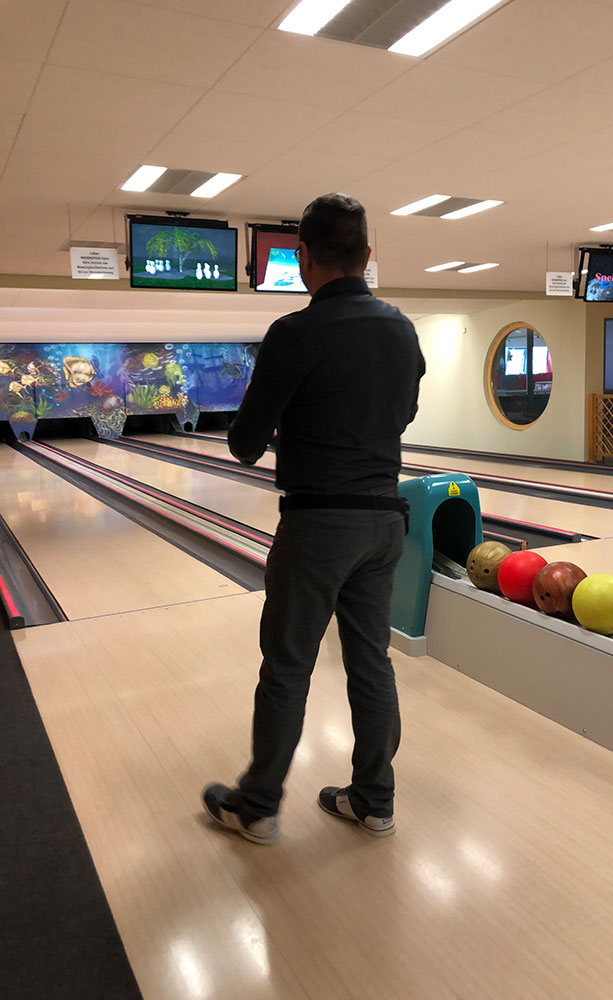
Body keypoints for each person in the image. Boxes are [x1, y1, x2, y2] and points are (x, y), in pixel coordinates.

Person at [202, 193, 425, 844]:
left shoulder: (294, 333)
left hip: (318, 523)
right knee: (372, 663)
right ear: (368, 254)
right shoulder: (402, 330)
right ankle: (375, 801)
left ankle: (257, 806)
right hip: (385, 520)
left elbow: (245, 443)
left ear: (301, 257)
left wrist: (291, 424)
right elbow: (403, 412)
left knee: (288, 665)